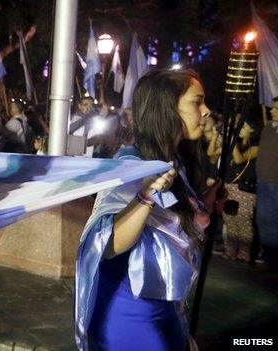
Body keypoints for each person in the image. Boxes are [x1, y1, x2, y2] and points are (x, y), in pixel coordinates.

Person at [75, 69, 220, 351]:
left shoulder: (176, 162)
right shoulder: (132, 163)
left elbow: (176, 229)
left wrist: (209, 200)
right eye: (196, 102)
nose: (206, 111)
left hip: (169, 308)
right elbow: (108, 243)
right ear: (167, 108)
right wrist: (146, 193)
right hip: (130, 314)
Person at [222, 119, 260, 261]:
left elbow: (239, 159)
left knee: (243, 221)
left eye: (244, 125)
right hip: (230, 186)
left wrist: (232, 139)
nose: (240, 128)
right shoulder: (237, 144)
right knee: (230, 220)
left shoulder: (256, 145)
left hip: (244, 188)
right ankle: (230, 252)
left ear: (253, 129)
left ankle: (244, 254)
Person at [256, 96, 278, 271]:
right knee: (265, 220)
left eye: (277, 108)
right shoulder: (268, 128)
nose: (272, 110)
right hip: (264, 182)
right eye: (272, 107)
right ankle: (270, 259)